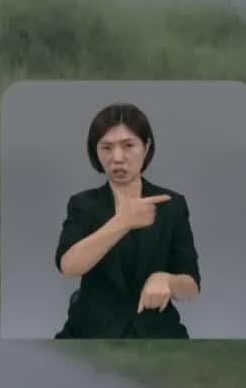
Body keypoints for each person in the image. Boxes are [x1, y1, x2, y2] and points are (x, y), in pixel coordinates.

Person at [53, 102, 201, 338]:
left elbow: (192, 287)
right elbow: (68, 266)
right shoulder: (82, 204)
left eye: (128, 145)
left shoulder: (172, 204)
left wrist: (167, 280)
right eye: (107, 148)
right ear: (95, 151)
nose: (117, 158)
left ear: (146, 147)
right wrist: (123, 221)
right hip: (91, 330)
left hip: (157, 332)